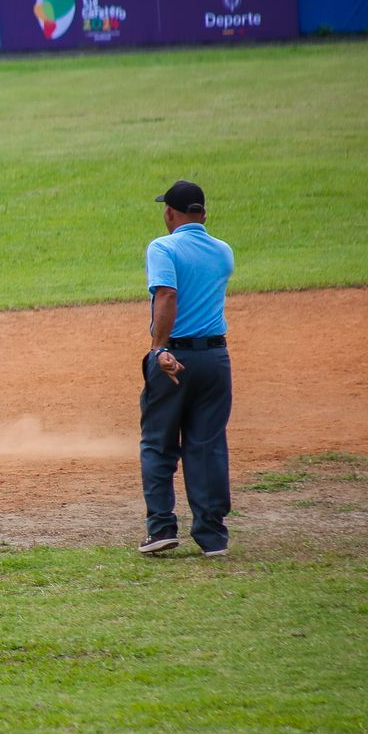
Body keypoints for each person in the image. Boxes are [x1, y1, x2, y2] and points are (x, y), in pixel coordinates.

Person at [139, 179, 236, 558]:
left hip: (175, 358)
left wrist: (159, 349)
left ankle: (162, 528)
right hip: (216, 359)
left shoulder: (163, 247)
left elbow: (166, 293)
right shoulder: (223, 251)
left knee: (158, 444)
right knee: (207, 445)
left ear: (169, 213)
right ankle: (213, 536)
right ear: (203, 213)